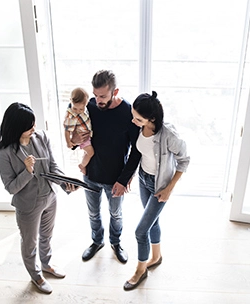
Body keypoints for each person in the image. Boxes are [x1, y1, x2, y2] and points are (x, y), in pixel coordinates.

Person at [0, 102, 77, 294]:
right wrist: (27, 171)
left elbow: (52, 166)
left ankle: (47, 264)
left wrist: (65, 183)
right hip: (28, 205)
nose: (34, 128)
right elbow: (10, 187)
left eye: (34, 123)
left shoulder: (40, 137)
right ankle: (36, 275)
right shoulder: (4, 153)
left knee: (47, 236)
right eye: (29, 126)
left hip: (49, 196)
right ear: (16, 128)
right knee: (29, 242)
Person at [71, 70, 141, 264]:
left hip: (115, 178)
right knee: (93, 212)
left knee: (116, 214)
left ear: (115, 91)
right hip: (91, 174)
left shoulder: (128, 112)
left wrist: (124, 179)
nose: (97, 100)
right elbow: (76, 132)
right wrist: (74, 140)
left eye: (102, 96)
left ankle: (116, 242)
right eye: (95, 95)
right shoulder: (90, 106)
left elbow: (137, 151)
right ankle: (97, 241)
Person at [123, 91, 190, 291]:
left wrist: (169, 188)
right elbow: (140, 154)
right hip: (144, 178)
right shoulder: (140, 128)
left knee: (140, 231)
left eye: (138, 118)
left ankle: (140, 271)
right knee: (153, 222)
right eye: (133, 115)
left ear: (152, 118)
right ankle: (156, 257)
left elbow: (184, 160)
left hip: (159, 185)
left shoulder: (169, 135)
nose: (133, 121)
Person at [63, 87, 94, 175]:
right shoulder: (71, 115)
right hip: (82, 137)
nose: (78, 111)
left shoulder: (85, 108)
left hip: (87, 135)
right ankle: (82, 165)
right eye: (75, 108)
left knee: (86, 152)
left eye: (81, 109)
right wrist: (68, 142)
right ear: (70, 101)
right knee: (90, 152)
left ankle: (83, 165)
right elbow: (67, 130)